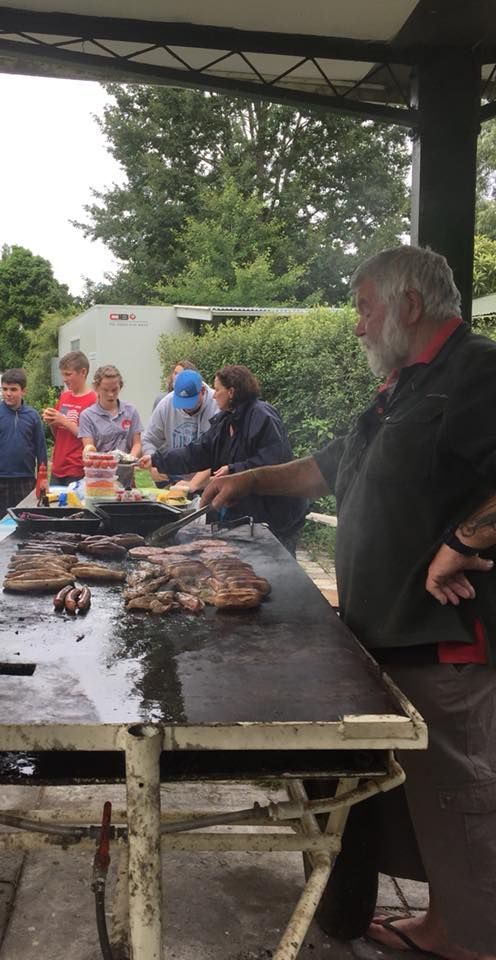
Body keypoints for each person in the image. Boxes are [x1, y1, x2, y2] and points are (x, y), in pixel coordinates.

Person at [202, 246, 496, 960]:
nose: (358, 326)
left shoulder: (478, 371)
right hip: (386, 633)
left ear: (409, 305)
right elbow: (326, 468)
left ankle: (480, 939)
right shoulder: (401, 387)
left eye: (364, 307)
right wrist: (247, 481)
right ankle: (444, 922)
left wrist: (463, 538)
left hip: (446, 637)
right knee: (423, 794)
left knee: (463, 796)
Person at [141, 364, 308, 552]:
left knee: (276, 565)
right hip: (248, 511)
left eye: (217, 389)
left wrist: (234, 469)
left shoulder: (262, 415)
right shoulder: (224, 421)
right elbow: (196, 452)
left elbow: (274, 462)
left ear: (231, 392)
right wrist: (157, 460)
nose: (214, 395)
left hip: (277, 514)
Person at [0, 367, 48, 522]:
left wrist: (42, 480)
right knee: (0, 523)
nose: (8, 393)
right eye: (5, 389)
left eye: (13, 389)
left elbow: (41, 450)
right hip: (0, 481)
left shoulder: (33, 416)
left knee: (26, 521)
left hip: (26, 479)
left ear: (23, 391)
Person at [142, 368, 219, 490]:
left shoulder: (217, 405)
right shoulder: (166, 404)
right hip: (173, 479)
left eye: (191, 402)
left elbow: (216, 453)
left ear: (203, 391)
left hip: (207, 483)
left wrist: (193, 484)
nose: (187, 408)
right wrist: (153, 464)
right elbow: (149, 440)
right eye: (182, 403)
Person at [79, 364, 143, 486]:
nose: (110, 394)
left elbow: (137, 443)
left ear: (120, 387)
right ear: (96, 388)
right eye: (105, 390)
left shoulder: (131, 411)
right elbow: (89, 450)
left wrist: (129, 460)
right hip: (100, 478)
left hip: (127, 478)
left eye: (114, 390)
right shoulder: (87, 416)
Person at [42, 350, 96, 485]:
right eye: (63, 374)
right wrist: (52, 422)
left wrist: (64, 421)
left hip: (78, 468)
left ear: (83, 372)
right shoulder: (65, 396)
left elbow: (92, 439)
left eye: (68, 374)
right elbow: (58, 434)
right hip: (58, 466)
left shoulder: (94, 400)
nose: (64, 379)